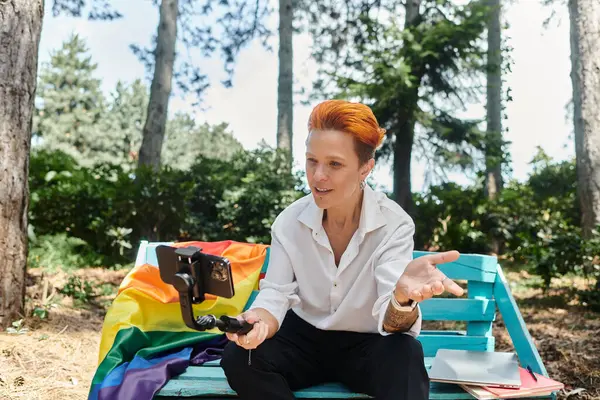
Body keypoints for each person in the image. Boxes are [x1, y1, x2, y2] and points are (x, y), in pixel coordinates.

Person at [220, 99, 464, 400]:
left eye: (334, 164)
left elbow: (391, 320)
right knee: (238, 358)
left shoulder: (395, 224)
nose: (318, 175)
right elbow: (277, 293)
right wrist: (260, 321)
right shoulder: (288, 222)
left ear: (366, 168)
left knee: (406, 356)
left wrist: (401, 299)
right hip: (302, 339)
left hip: (367, 342)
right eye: (312, 161)